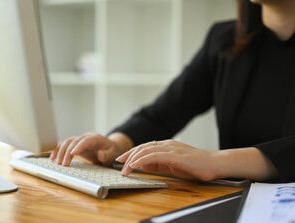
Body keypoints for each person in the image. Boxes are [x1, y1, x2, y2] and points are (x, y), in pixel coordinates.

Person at [50, 0, 295, 183]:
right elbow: (165, 112)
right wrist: (114, 146)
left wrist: (215, 161)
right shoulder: (224, 40)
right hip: (237, 202)